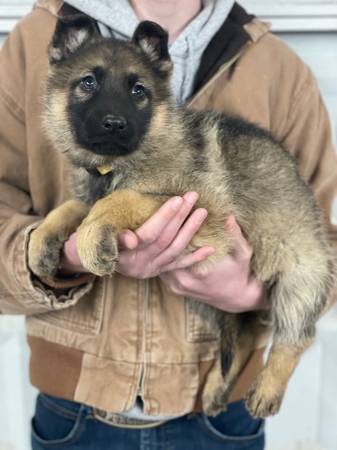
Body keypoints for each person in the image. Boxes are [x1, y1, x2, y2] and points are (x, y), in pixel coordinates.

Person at [0, 0, 336, 449]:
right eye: (87, 84)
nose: (113, 112)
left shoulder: (278, 68)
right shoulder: (32, 39)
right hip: (73, 411)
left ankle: (272, 363)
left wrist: (252, 296)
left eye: (138, 92)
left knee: (297, 281)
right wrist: (65, 253)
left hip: (222, 423)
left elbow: (325, 247)